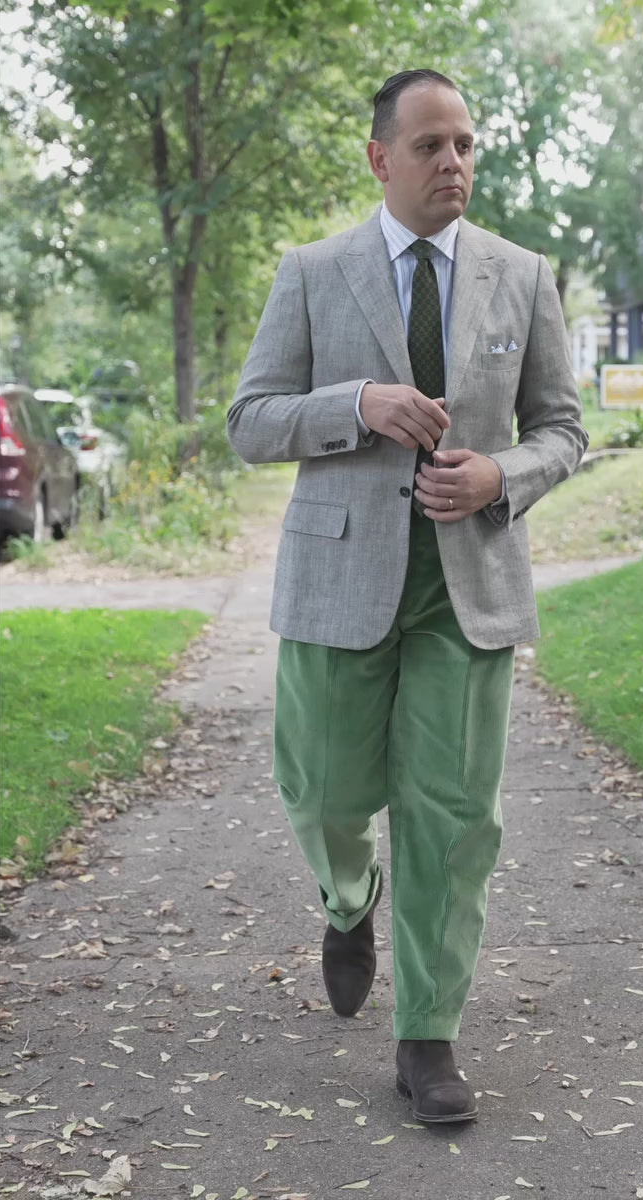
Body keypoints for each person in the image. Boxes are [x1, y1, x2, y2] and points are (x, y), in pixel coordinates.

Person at [227, 68, 587, 1124]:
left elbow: (560, 428)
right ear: (380, 158)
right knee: (326, 790)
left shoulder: (520, 277)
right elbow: (250, 420)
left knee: (452, 817)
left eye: (466, 145)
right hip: (337, 578)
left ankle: (427, 1037)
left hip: (464, 586)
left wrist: (500, 479)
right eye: (430, 146)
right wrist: (357, 404)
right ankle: (349, 901)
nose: (454, 165)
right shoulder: (312, 272)